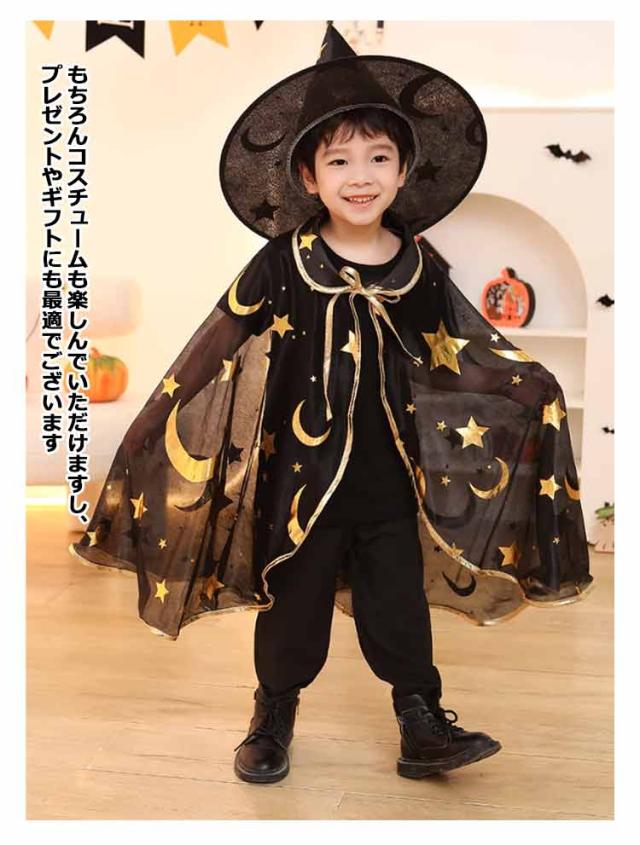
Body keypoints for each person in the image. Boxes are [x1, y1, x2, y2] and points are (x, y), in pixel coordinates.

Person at [70, 23, 594, 785]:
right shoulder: (285, 261)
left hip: (390, 479)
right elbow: (215, 346)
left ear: (403, 170)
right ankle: (273, 714)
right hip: (299, 481)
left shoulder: (418, 265)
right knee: (295, 604)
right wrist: (153, 426)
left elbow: (454, 355)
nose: (360, 176)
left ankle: (421, 719)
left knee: (398, 603)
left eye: (378, 157)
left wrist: (524, 384)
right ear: (309, 177)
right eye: (339, 160)